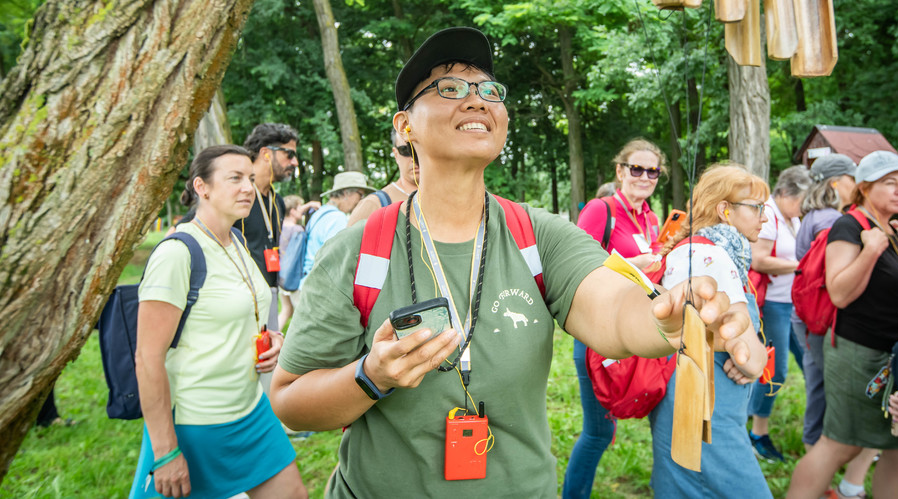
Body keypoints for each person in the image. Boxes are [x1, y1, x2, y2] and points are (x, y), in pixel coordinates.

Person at [269, 26, 753, 497]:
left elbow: (612, 309)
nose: (477, 100)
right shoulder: (359, 250)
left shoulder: (537, 236)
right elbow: (290, 400)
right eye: (450, 87)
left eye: (489, 90)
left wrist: (665, 319)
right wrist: (370, 377)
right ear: (405, 125)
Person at [129, 145, 306, 499]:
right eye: (235, 178)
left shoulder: (237, 241)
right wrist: (166, 451)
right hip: (197, 422)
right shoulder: (177, 253)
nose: (248, 188)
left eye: (250, 179)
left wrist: (272, 338)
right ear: (202, 187)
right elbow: (147, 358)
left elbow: (241, 311)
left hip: (251, 410)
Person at [788, 150, 898, 499]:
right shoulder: (849, 226)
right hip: (858, 354)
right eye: (889, 183)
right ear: (864, 187)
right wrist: (871, 251)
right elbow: (840, 293)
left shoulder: (890, 229)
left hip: (890, 353)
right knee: (840, 444)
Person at [650, 163, 771, 497]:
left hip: (687, 404)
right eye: (757, 207)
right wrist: (753, 360)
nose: (764, 218)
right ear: (724, 210)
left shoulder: (694, 248)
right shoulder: (711, 257)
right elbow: (751, 361)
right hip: (706, 416)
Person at [563, 138, 666, 499]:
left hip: (636, 331)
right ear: (621, 171)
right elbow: (573, 268)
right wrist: (633, 265)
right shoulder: (600, 210)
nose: (644, 177)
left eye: (652, 171)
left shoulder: (651, 217)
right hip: (596, 333)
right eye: (636, 168)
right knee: (598, 433)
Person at [794, 154, 876, 499]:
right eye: (852, 178)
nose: (857, 185)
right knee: (826, 393)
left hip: (810, 316)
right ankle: (823, 479)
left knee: (819, 388)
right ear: (834, 183)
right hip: (822, 318)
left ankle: (823, 475)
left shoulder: (816, 215)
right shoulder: (831, 221)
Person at [748, 164, 812, 462]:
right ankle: (757, 433)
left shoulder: (792, 218)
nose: (804, 206)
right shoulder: (770, 215)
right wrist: (801, 266)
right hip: (773, 304)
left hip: (794, 302)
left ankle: (818, 428)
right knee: (775, 370)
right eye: (802, 200)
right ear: (785, 192)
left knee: (809, 362)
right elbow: (758, 260)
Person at [302, 171, 374, 280]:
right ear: (346, 193)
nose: (361, 200)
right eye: (360, 194)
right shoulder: (338, 218)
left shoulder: (319, 213)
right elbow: (337, 259)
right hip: (321, 283)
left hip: (307, 281)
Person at [347, 129, 419, 227]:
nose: (414, 158)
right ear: (396, 154)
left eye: (419, 149)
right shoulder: (374, 204)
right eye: (406, 150)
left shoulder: (439, 199)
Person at [279, 195, 318, 329]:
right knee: (300, 314)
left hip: (281, 276)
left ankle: (274, 337)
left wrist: (308, 205)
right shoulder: (297, 230)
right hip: (294, 277)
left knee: (286, 310)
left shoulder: (279, 227)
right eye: (300, 208)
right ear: (292, 211)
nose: (302, 210)